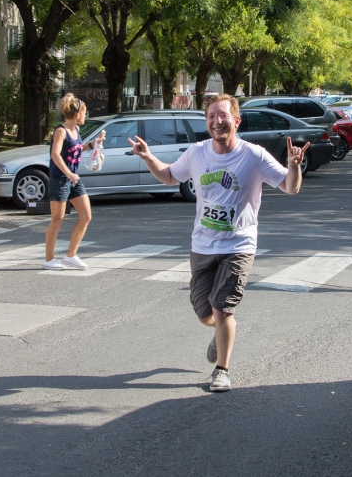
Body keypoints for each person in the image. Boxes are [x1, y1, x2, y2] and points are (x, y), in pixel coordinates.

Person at [128, 94, 308, 392]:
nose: (217, 121)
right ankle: (223, 332)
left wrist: (294, 165)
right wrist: (147, 156)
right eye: (211, 116)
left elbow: (291, 187)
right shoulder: (197, 153)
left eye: (223, 116)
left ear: (236, 121)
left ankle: (222, 370)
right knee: (204, 314)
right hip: (202, 245)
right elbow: (170, 176)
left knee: (223, 308)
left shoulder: (254, 155)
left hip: (239, 245)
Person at [42, 94, 105, 270]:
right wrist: (69, 173)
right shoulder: (61, 131)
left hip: (73, 179)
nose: (85, 116)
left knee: (86, 216)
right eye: (85, 113)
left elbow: (76, 149)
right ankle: (48, 259)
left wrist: (93, 144)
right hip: (60, 179)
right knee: (57, 218)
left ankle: (71, 255)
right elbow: (55, 154)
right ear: (77, 114)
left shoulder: (75, 131)